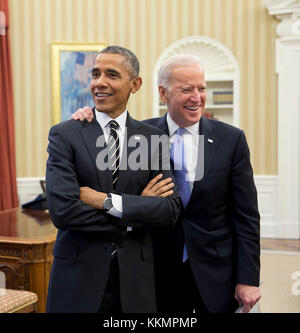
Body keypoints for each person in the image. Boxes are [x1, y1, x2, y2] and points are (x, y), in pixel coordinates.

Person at [72, 54, 261, 313]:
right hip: (155, 269)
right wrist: (88, 118)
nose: (197, 97)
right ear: (163, 93)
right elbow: (116, 190)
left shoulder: (231, 139)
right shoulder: (139, 135)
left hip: (216, 270)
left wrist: (248, 278)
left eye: (201, 88)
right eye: (186, 89)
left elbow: (246, 216)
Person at [46, 45, 182, 313]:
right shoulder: (65, 135)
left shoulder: (153, 138)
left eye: (111, 74)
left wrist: (105, 201)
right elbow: (63, 212)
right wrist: (136, 211)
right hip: (78, 278)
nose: (100, 83)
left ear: (135, 84)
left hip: (136, 281)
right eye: (95, 74)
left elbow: (169, 210)